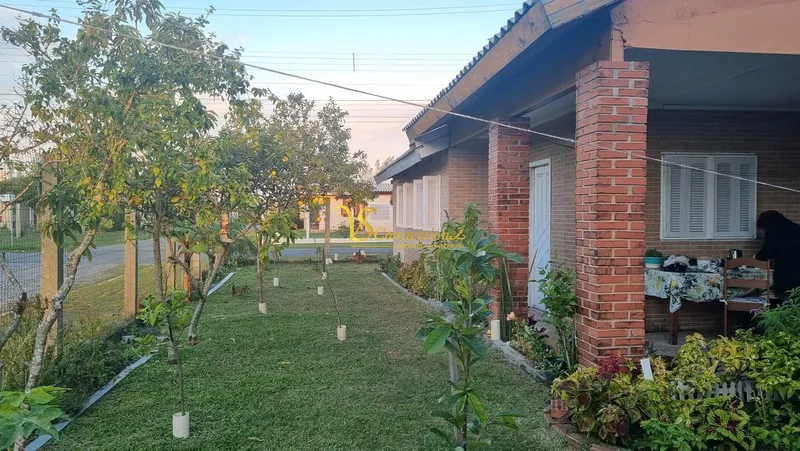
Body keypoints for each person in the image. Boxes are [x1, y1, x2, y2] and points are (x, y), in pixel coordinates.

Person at [754, 210, 800, 297]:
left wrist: (756, 257)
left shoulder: (772, 231)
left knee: (784, 297)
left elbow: (766, 253)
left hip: (785, 272)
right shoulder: (797, 228)